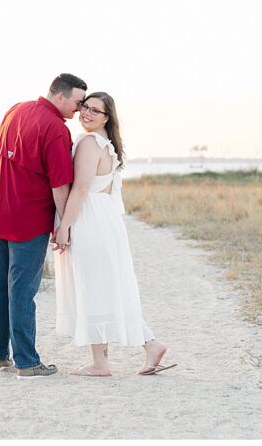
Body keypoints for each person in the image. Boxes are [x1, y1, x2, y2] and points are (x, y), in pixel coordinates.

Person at [52, 91, 175, 377]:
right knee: (108, 287)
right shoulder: (107, 144)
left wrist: (64, 226)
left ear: (107, 117)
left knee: (93, 286)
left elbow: (81, 189)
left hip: (90, 219)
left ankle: (101, 363)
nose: (86, 114)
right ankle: (149, 344)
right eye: (84, 107)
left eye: (95, 111)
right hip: (104, 219)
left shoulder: (89, 142)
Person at [0, 73, 88, 379]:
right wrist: (63, 226)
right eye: (78, 101)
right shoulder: (56, 129)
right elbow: (60, 185)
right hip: (27, 221)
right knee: (21, 291)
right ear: (60, 96)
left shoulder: (15, 110)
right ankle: (26, 362)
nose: (80, 109)